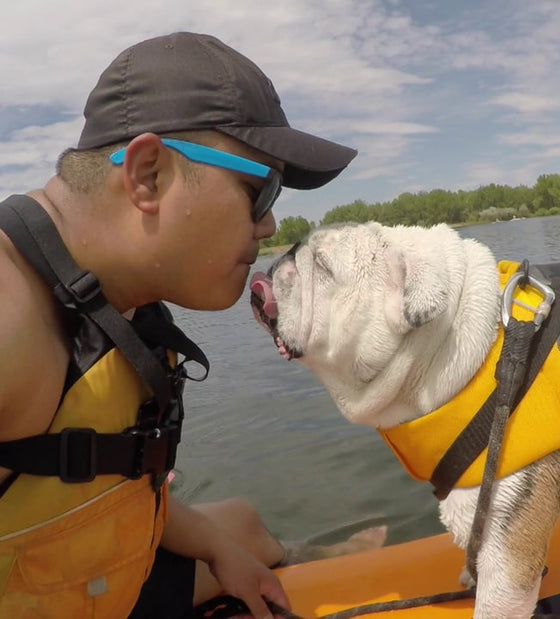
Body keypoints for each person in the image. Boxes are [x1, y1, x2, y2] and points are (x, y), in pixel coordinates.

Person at [0, 32, 358, 618]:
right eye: (259, 191)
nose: (268, 226)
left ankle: (306, 555)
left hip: (87, 576)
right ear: (147, 175)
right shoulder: (10, 314)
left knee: (238, 524)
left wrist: (220, 551)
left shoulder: (117, 299)